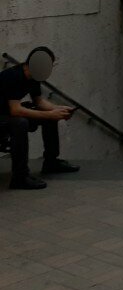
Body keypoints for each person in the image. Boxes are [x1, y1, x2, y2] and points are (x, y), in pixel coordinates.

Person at [0, 47, 80, 190]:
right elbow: (15, 110)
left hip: (8, 112)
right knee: (20, 123)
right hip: (3, 114)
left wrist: (59, 110)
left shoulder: (34, 77)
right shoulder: (13, 76)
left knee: (48, 116)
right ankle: (20, 177)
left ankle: (51, 162)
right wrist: (50, 114)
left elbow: (40, 102)